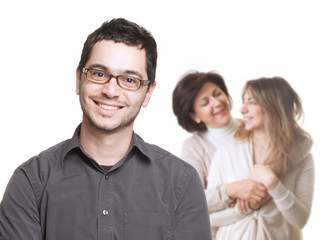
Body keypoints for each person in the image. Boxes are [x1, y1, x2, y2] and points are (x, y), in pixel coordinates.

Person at [0, 18, 211, 240]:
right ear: (79, 78)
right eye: (99, 74)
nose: (111, 91)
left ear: (148, 93)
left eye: (129, 80)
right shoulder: (31, 183)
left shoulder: (182, 183)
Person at [207, 77, 314, 239]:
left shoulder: (302, 157)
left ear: (274, 106)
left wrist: (273, 184)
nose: (242, 110)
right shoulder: (226, 152)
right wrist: (245, 208)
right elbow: (207, 217)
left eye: (251, 102)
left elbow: (300, 220)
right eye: (244, 102)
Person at [172, 71, 268, 238]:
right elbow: (190, 201)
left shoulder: (255, 128)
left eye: (218, 94)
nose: (217, 103)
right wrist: (233, 191)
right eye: (205, 102)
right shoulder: (193, 147)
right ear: (194, 116)